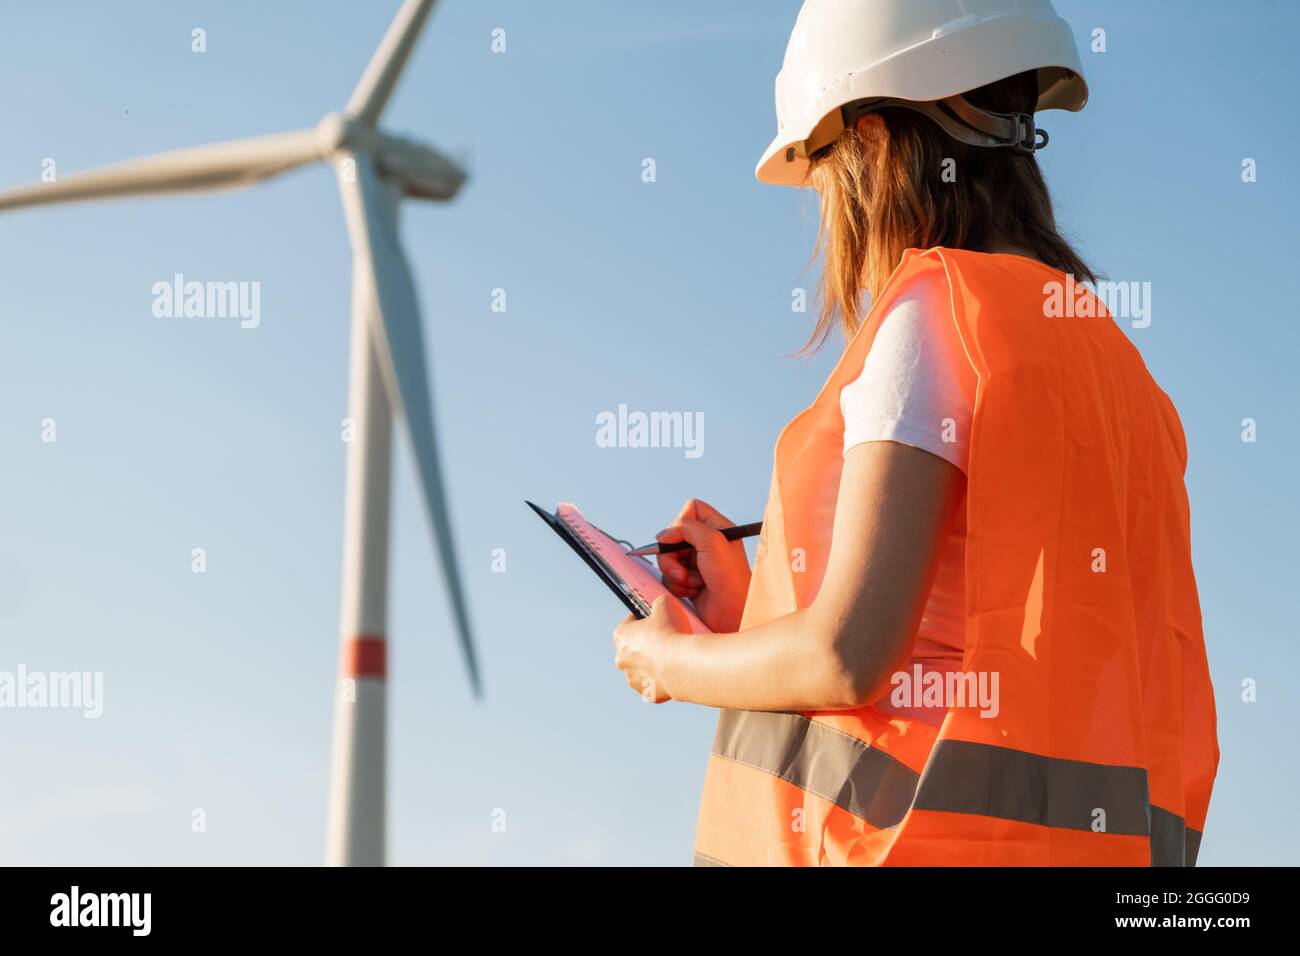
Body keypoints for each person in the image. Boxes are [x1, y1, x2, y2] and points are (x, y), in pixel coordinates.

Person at [612, 0, 1218, 866]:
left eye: (818, 166)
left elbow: (848, 655)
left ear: (873, 140)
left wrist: (666, 661)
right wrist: (750, 622)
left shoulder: (936, 314)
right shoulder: (1114, 365)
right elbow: (982, 642)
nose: (823, 207)